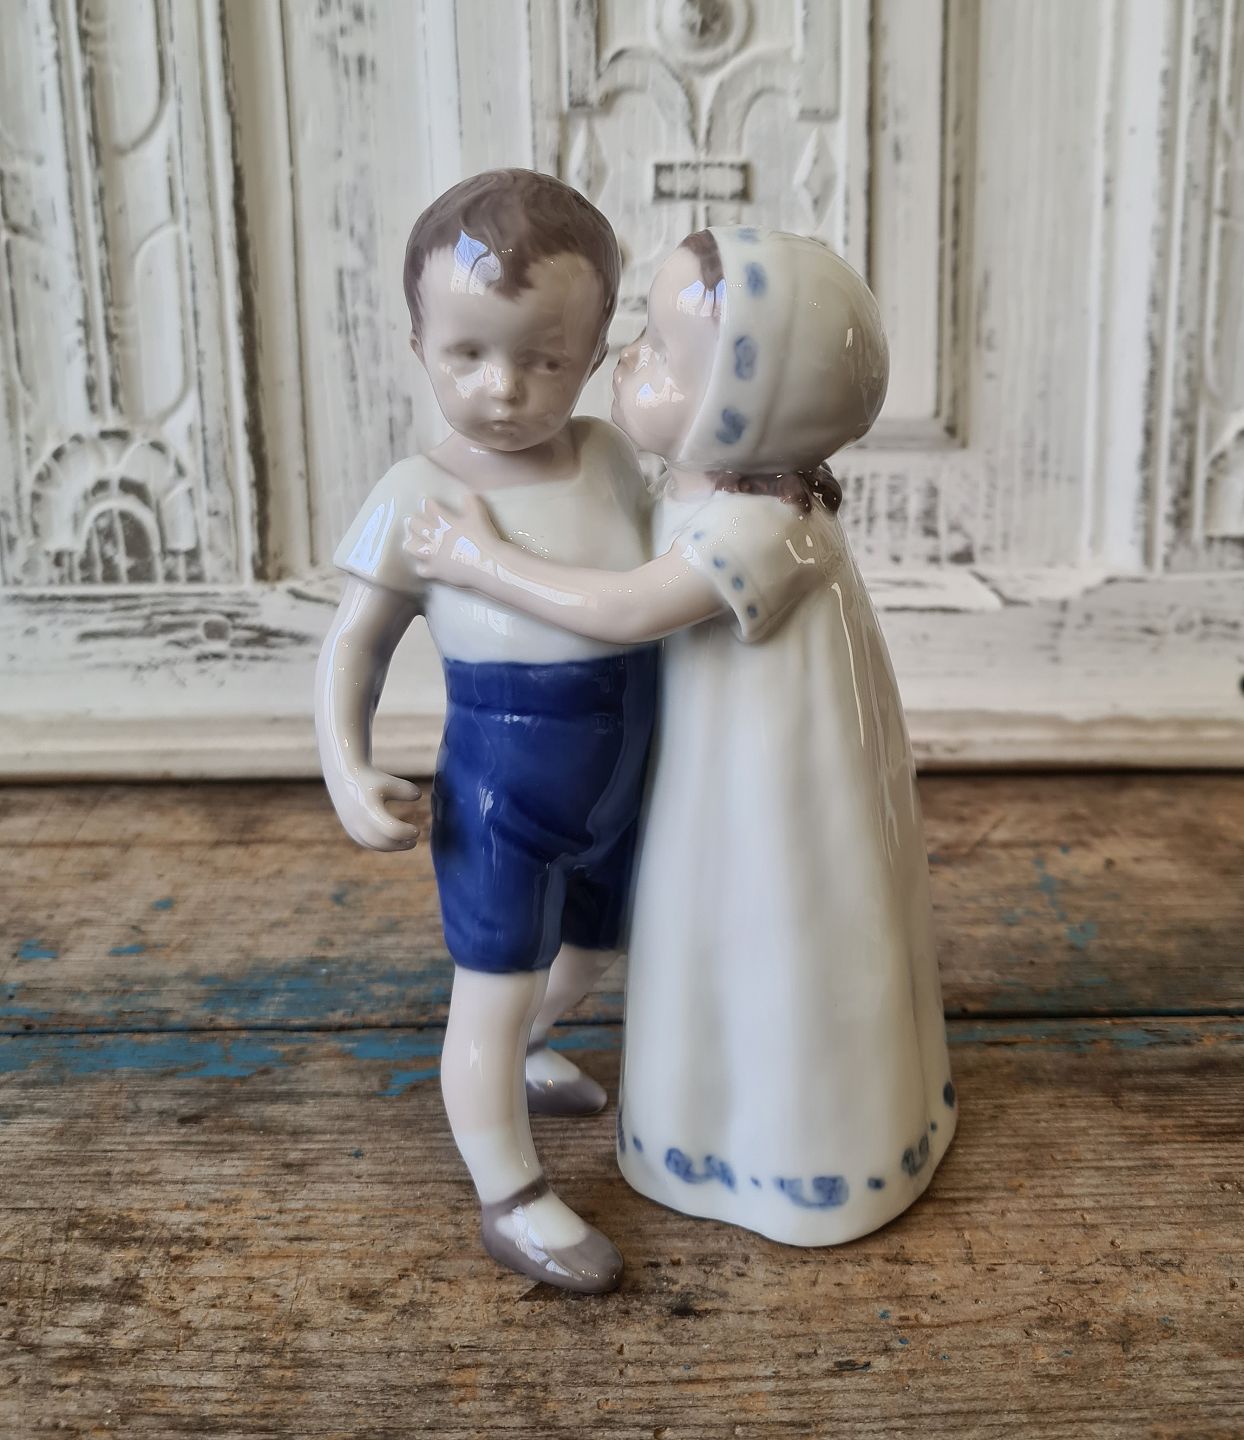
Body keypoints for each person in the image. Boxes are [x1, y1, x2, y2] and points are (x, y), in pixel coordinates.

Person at [413, 226, 958, 1246]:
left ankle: (787, 1160)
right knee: (706, 944)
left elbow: (624, 609)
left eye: (664, 355)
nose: (629, 360)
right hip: (717, 771)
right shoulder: (713, 487)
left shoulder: (759, 526)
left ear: (749, 409)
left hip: (766, 803)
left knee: (763, 948)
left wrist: (477, 560)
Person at [316, 170, 656, 1291]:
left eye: (543, 359)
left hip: (624, 767)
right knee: (494, 984)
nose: (502, 389)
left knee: (597, 947)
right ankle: (510, 1195)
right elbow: (354, 648)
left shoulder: (608, 458)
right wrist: (348, 766)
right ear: (417, 342)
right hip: (504, 786)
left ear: (594, 352)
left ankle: (527, 1049)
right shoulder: (415, 493)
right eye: (466, 353)